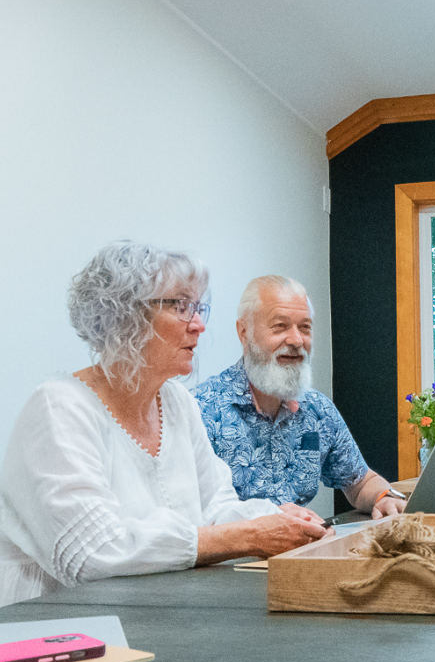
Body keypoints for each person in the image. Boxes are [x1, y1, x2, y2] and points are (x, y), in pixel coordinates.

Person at [0, 243, 331, 608]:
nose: (199, 325)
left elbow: (216, 507)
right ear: (126, 317)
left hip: (154, 614)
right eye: (180, 306)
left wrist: (272, 517)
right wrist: (247, 535)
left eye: (199, 306)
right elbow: (92, 554)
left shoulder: (176, 402)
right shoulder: (59, 407)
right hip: (53, 627)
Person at [195, 276, 403, 517]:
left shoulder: (316, 409)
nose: (296, 340)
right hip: (236, 554)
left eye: (305, 328)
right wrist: (267, 522)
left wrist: (383, 497)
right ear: (244, 332)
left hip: (300, 550)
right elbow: (194, 517)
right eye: (280, 326)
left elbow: (361, 482)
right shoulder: (201, 410)